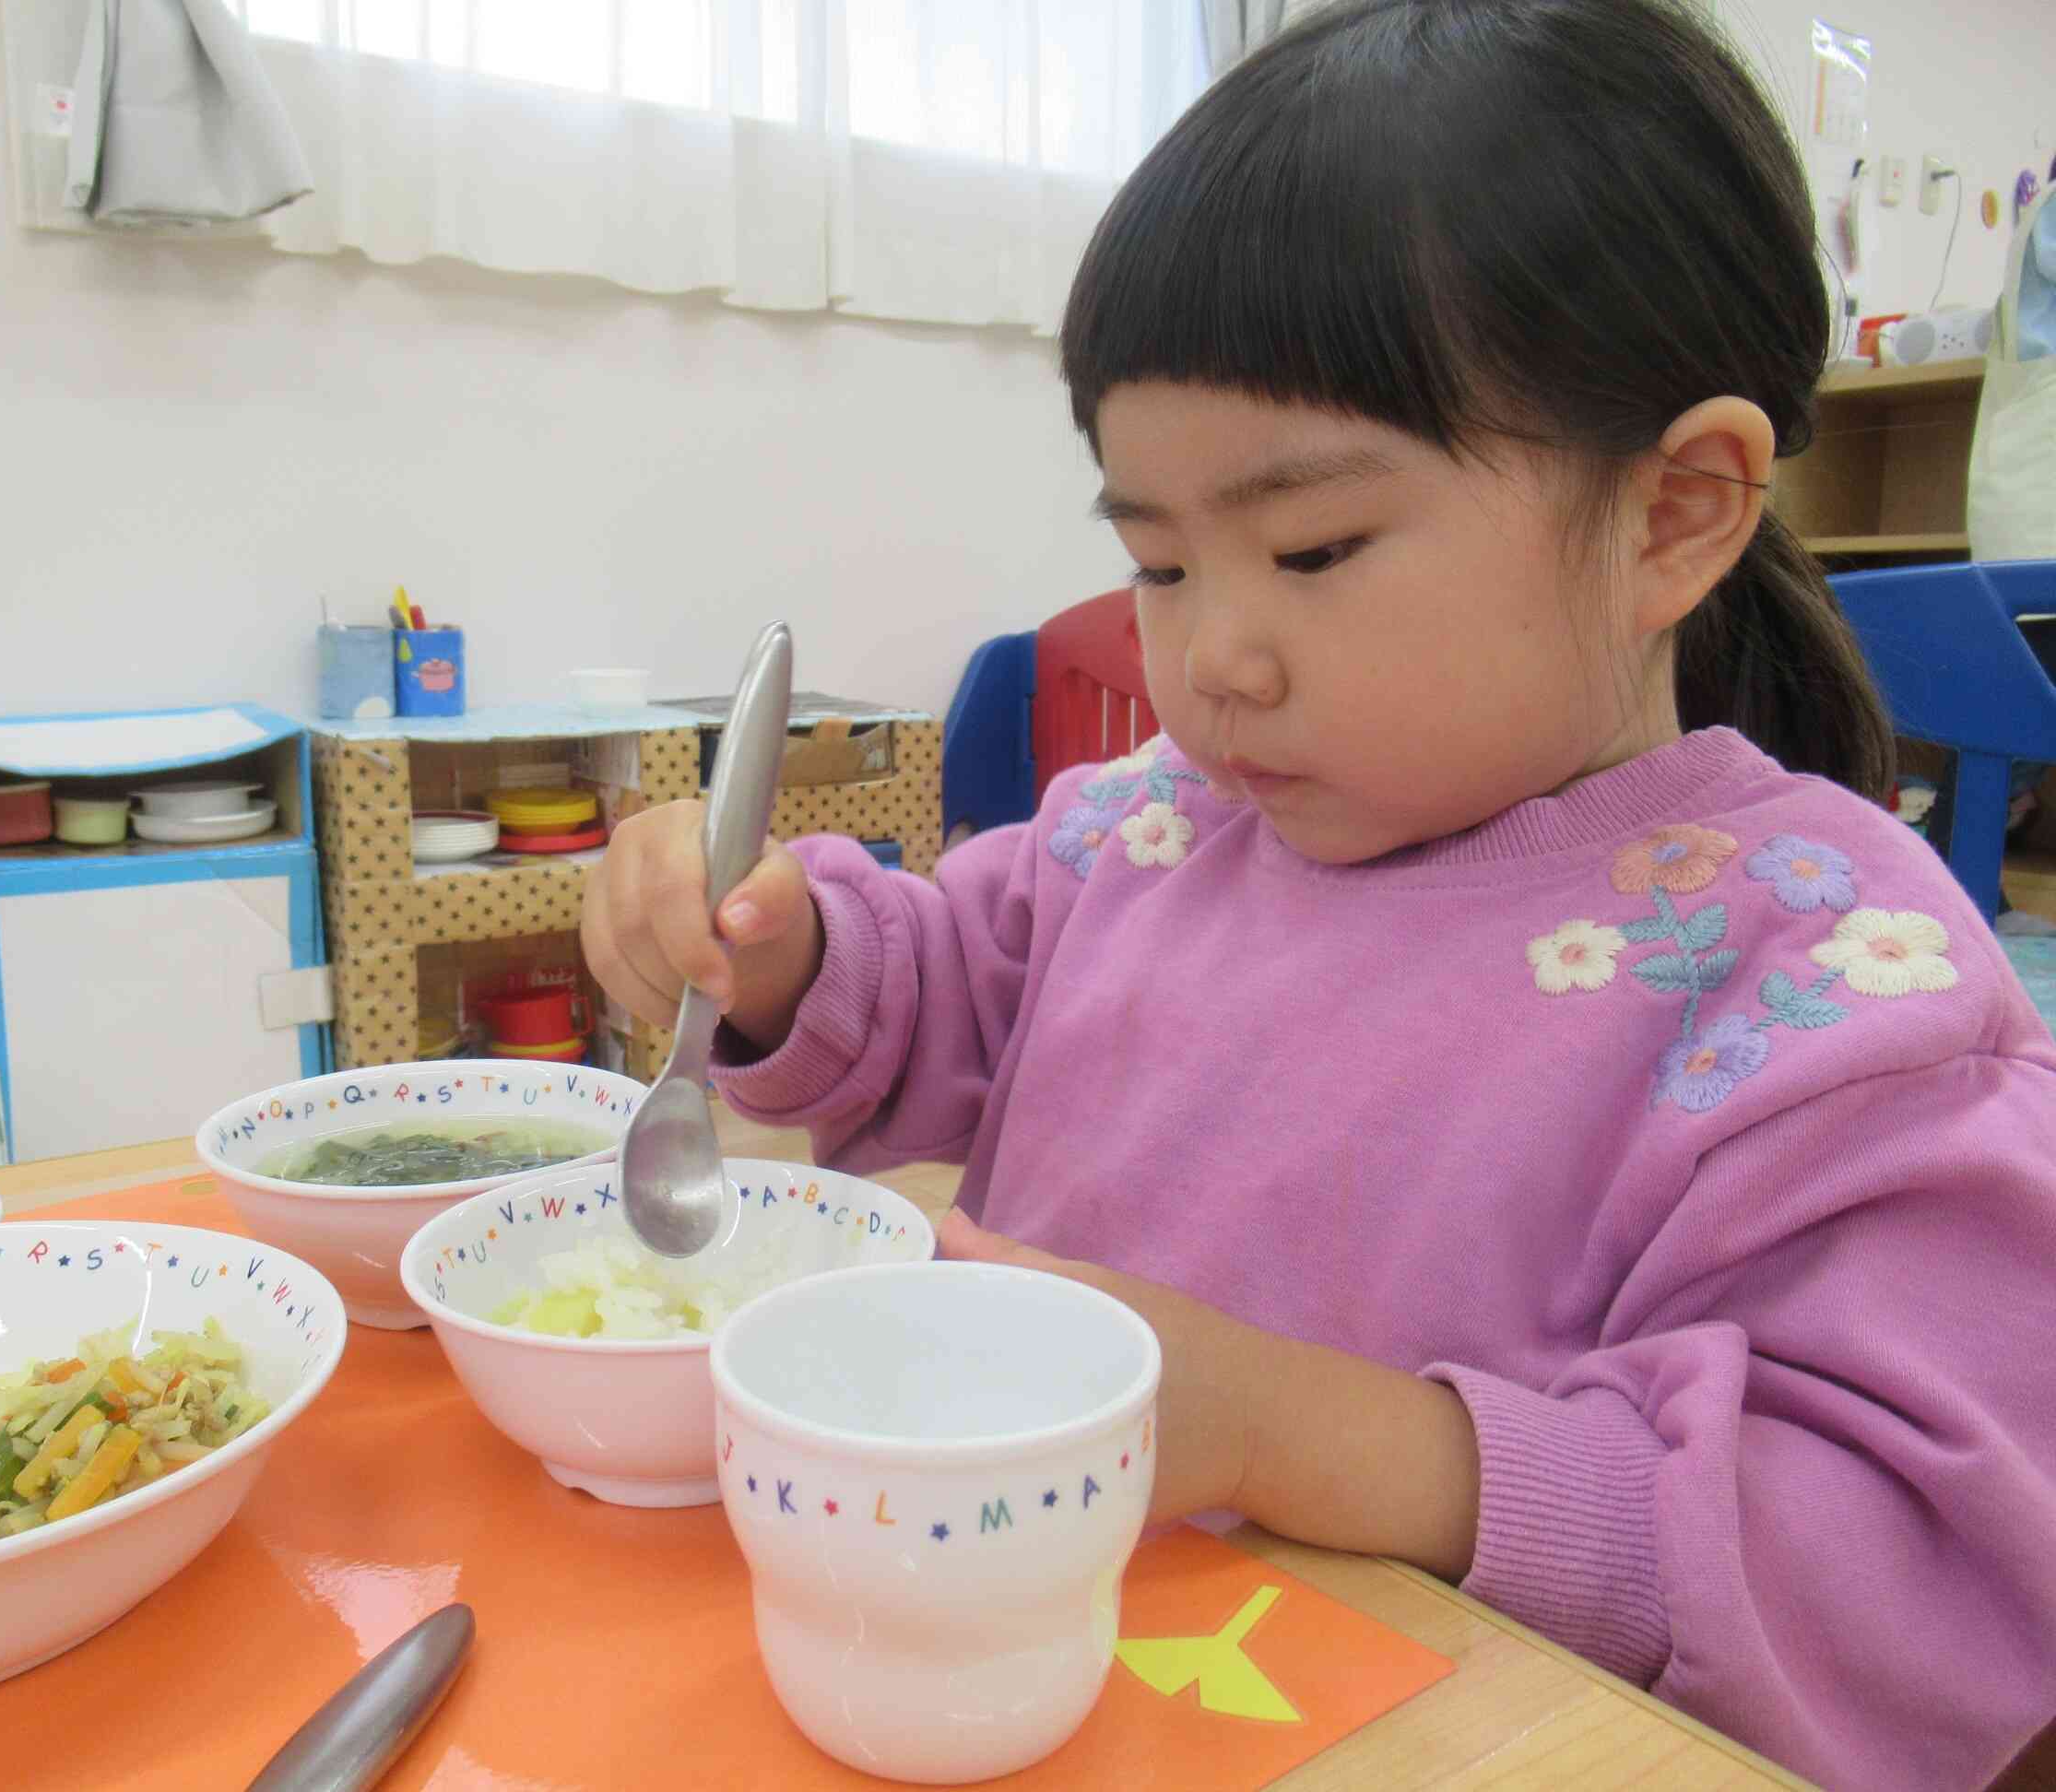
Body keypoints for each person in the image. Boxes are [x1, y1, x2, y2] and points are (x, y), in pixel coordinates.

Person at [582, 3, 2056, 1784]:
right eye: (1158, 560)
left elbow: (1908, 1555)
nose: (1215, 661)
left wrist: (1294, 1434)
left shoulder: (1830, 971)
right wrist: (774, 947)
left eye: (1311, 552)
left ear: (1679, 512)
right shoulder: (1155, 825)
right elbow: (949, 977)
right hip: (1020, 1684)